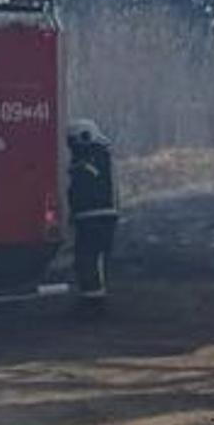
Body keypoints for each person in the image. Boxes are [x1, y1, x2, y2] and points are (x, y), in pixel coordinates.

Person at [67, 119, 118, 309]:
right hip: (90, 215)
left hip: (98, 215)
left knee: (91, 258)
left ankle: (94, 301)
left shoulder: (98, 156)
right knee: (85, 258)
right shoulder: (95, 155)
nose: (73, 146)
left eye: (74, 141)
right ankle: (90, 297)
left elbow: (88, 178)